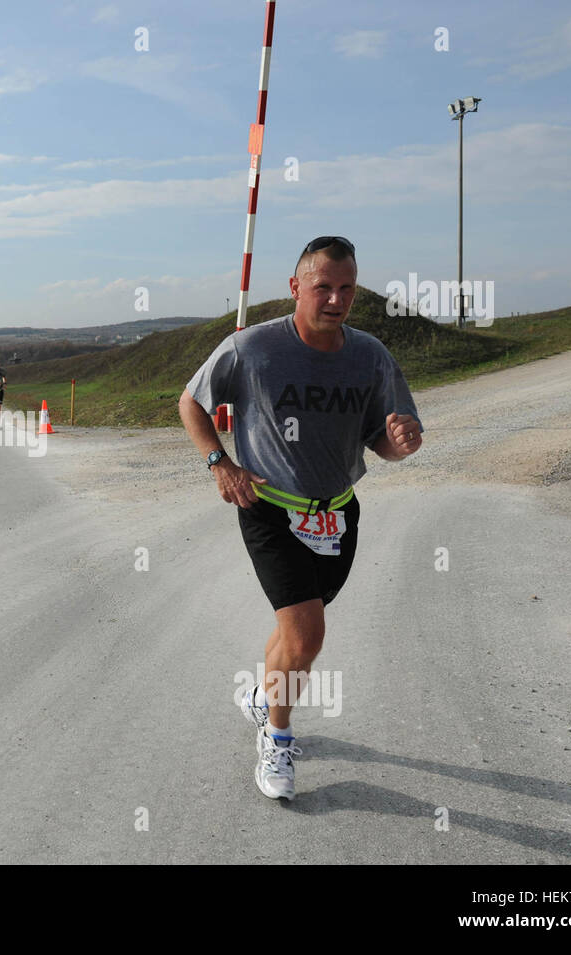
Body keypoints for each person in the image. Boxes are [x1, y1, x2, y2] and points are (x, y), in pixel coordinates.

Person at [178, 236, 424, 801]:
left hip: (338, 514)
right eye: (323, 287)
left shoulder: (370, 355)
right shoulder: (252, 348)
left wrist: (401, 443)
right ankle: (278, 737)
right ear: (295, 287)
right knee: (307, 635)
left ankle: (264, 697)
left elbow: (382, 441)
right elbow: (191, 400)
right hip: (269, 509)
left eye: (346, 288)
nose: (335, 299)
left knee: (295, 632)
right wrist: (220, 463)